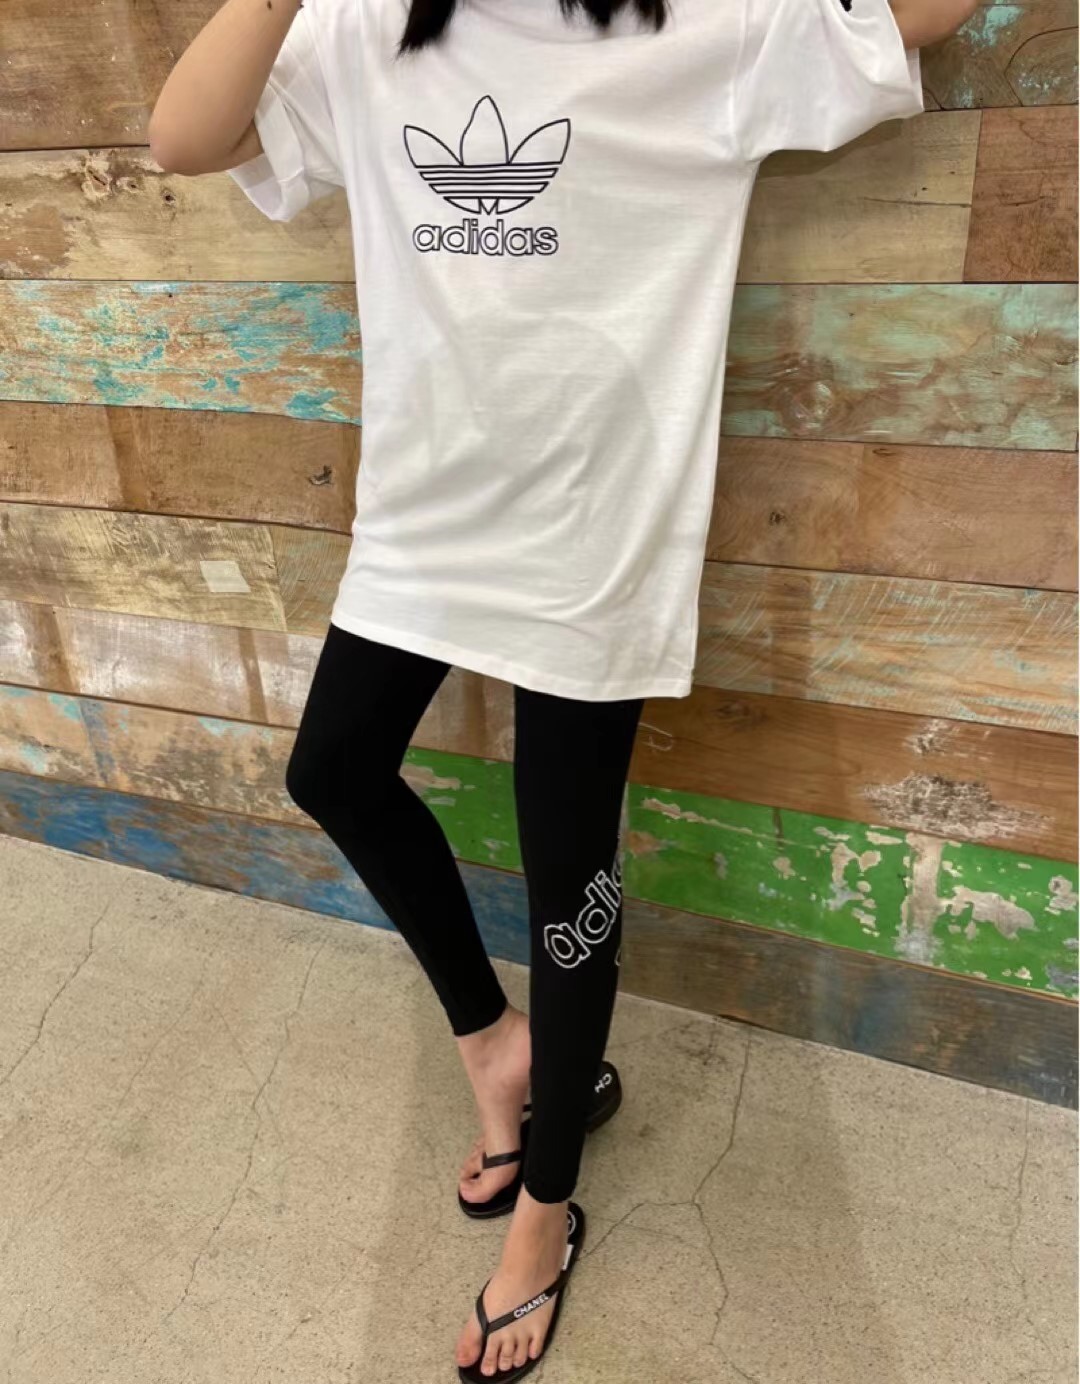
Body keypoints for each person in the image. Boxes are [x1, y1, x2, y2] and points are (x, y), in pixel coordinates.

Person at [148, 0, 974, 1376]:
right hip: (425, 512)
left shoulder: (706, 31)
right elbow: (183, 136)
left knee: (565, 864)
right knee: (332, 768)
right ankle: (499, 1049)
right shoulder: (366, 33)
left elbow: (918, 18)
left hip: (598, 527)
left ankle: (546, 1210)